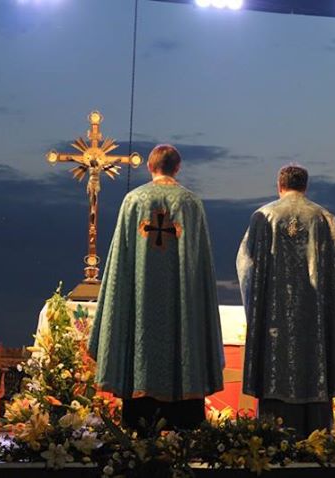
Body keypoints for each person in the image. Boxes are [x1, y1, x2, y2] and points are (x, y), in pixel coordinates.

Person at [88, 144, 224, 431]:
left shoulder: (134, 201)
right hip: (180, 305)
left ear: (150, 167)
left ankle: (138, 434)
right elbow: (200, 265)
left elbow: (120, 264)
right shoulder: (191, 203)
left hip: (141, 305)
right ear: (178, 168)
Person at [236, 164, 335, 437]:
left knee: (275, 414)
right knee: (315, 424)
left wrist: (258, 310)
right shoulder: (324, 218)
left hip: (274, 328)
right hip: (315, 330)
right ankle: (318, 445)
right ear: (305, 186)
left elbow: (246, 268)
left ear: (280, 186)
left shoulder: (264, 216)